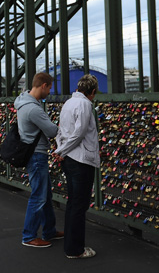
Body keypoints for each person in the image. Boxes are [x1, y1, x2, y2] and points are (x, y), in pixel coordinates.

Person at [53, 74, 100, 259]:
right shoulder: (85, 104)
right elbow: (79, 133)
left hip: (69, 160)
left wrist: (60, 149)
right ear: (93, 92)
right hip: (81, 160)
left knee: (73, 204)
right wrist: (61, 151)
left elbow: (61, 131)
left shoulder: (68, 103)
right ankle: (75, 250)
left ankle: (71, 245)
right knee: (80, 206)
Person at [14, 72, 61, 248]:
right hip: (37, 156)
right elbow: (52, 131)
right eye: (49, 88)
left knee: (45, 195)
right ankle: (29, 236)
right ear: (43, 86)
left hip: (33, 154)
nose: (50, 91)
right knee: (39, 197)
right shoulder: (33, 108)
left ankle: (49, 230)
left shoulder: (23, 101)